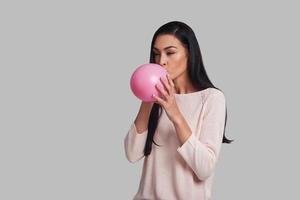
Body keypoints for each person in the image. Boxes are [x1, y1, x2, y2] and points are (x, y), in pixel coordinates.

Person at [124, 21, 233, 200]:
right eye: (156, 54)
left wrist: (175, 114)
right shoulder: (155, 98)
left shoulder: (212, 98)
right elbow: (132, 154)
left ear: (189, 53)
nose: (161, 61)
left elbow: (204, 168)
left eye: (170, 52)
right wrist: (147, 100)